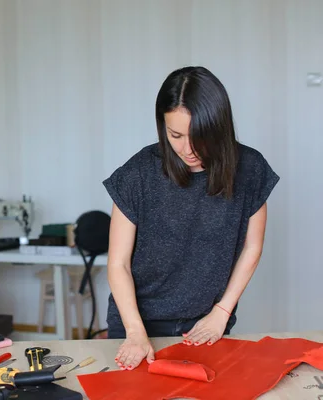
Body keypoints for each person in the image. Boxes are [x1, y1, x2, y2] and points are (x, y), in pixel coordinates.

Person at [102, 66, 279, 371]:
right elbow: (117, 263)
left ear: (219, 127)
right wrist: (135, 333)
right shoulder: (138, 173)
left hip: (207, 320)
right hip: (137, 322)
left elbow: (252, 246)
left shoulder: (249, 168)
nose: (188, 149)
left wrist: (222, 311)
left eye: (200, 136)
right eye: (176, 135)